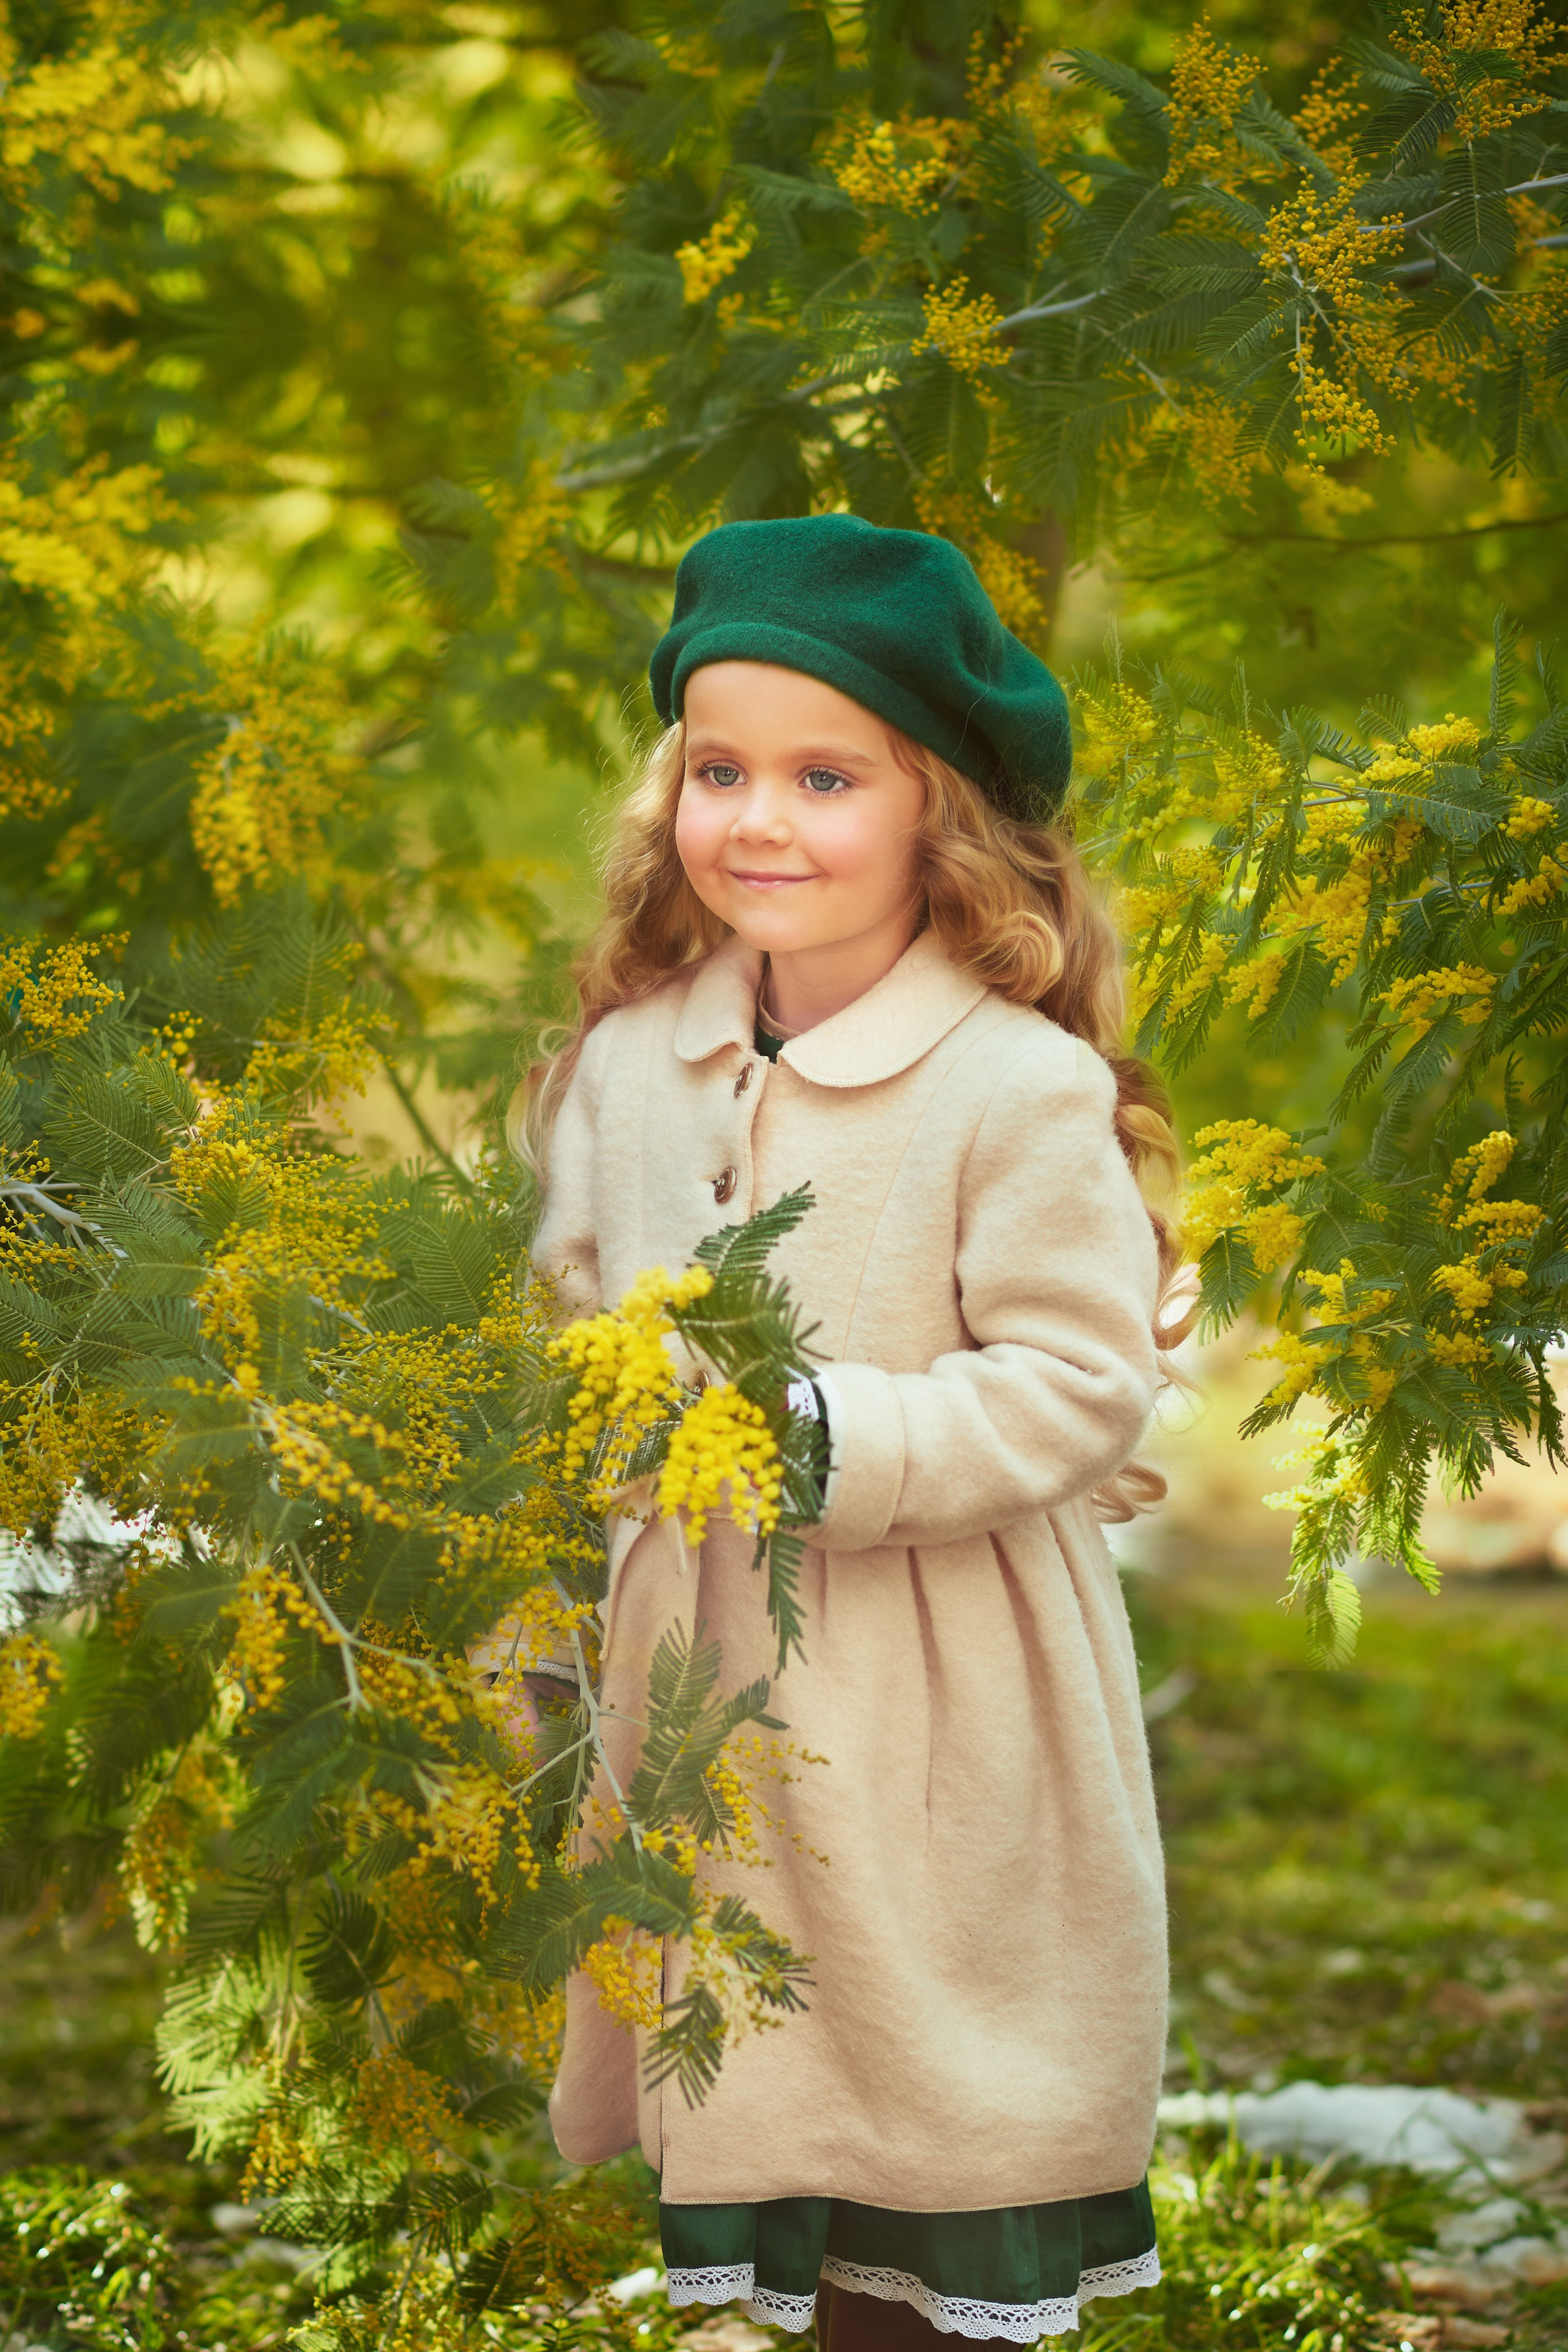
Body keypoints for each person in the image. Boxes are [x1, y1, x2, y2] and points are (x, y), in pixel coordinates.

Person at [524, 513, 1185, 2349]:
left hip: (932, 1698)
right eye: (719, 768)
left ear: (938, 810)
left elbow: (1077, 1381)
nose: (758, 819)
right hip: (696, 1681)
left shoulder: (1012, 1082)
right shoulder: (624, 1066)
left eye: (825, 775)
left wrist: (803, 1433)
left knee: (926, 2113)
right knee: (747, 2085)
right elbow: (561, 1333)